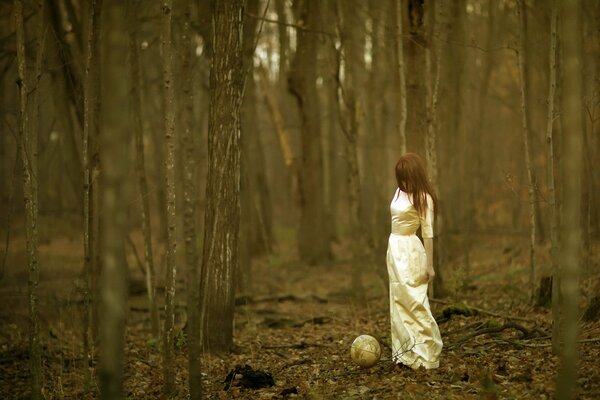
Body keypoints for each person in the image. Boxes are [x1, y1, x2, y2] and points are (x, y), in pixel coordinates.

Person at [387, 152, 442, 369]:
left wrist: (429, 265)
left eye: (407, 178)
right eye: (401, 179)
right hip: (394, 249)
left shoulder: (424, 198)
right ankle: (404, 354)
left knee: (415, 301)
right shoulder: (399, 191)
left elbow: (428, 233)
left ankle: (426, 354)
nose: (404, 183)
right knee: (398, 302)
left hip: (410, 251)